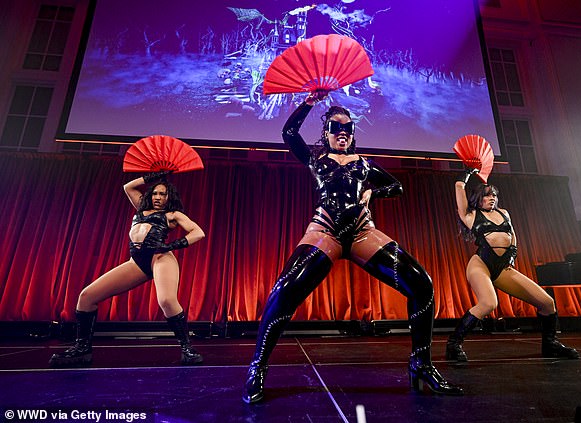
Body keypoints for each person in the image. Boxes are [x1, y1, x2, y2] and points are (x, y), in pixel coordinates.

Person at [242, 91, 463, 404]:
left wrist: (374, 192)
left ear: (353, 134)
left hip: (362, 233)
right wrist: (309, 102)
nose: (341, 132)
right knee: (284, 290)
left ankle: (421, 364)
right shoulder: (315, 161)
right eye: (335, 127)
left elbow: (396, 186)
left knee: (422, 284)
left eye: (347, 128)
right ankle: (257, 367)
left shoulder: (364, 164)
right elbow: (288, 133)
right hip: (325, 230)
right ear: (327, 132)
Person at [49, 172, 205, 367]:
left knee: (166, 300)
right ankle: (82, 349)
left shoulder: (172, 215)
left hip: (161, 259)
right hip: (137, 262)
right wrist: (154, 176)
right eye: (155, 193)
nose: (158, 197)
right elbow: (128, 187)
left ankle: (187, 348)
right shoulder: (141, 208)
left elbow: (198, 232)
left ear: (169, 197)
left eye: (163, 194)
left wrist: (171, 246)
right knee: (86, 296)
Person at [446, 169, 579, 362]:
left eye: (494, 195)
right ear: (479, 198)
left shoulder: (504, 213)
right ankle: (454, 344)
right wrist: (467, 173)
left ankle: (550, 344)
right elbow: (459, 187)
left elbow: (513, 235)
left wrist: (513, 253)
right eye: (487, 195)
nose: (492, 198)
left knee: (547, 303)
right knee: (488, 303)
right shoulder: (471, 215)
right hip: (481, 264)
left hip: (503, 266)